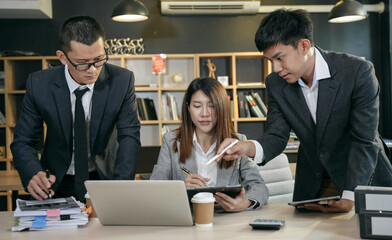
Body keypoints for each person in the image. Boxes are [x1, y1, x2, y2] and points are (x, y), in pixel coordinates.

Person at [215, 8, 392, 213]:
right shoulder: (276, 84)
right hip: (315, 185)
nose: (275, 68)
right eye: (270, 61)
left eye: (280, 58)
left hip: (362, 179)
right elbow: (276, 136)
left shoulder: (357, 72)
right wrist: (245, 147)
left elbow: (364, 139)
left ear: (304, 46)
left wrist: (351, 196)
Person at [11, 16, 141, 202]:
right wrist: (33, 173)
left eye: (99, 59)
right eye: (82, 63)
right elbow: (23, 141)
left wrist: (121, 185)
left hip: (105, 178)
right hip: (55, 180)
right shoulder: (39, 84)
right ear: (62, 57)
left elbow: (130, 136)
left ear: (104, 48)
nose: (93, 70)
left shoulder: (122, 81)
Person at [150, 77, 269, 212]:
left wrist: (245, 203)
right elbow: (155, 190)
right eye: (197, 106)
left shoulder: (237, 142)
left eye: (212, 106)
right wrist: (181, 188)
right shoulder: (171, 141)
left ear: (222, 108)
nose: (205, 114)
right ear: (188, 108)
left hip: (226, 221)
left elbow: (259, 187)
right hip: (186, 220)